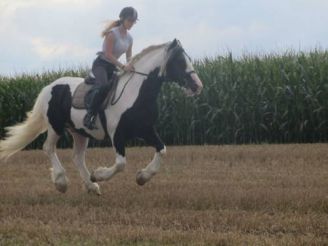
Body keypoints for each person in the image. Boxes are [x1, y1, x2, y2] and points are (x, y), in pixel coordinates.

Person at [83, 6, 138, 130]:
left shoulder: (130, 38)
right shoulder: (112, 34)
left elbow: (129, 56)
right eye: (130, 20)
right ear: (123, 19)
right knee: (103, 86)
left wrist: (132, 65)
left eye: (133, 21)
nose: (132, 23)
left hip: (113, 67)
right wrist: (123, 66)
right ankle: (89, 116)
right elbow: (108, 54)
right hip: (101, 64)